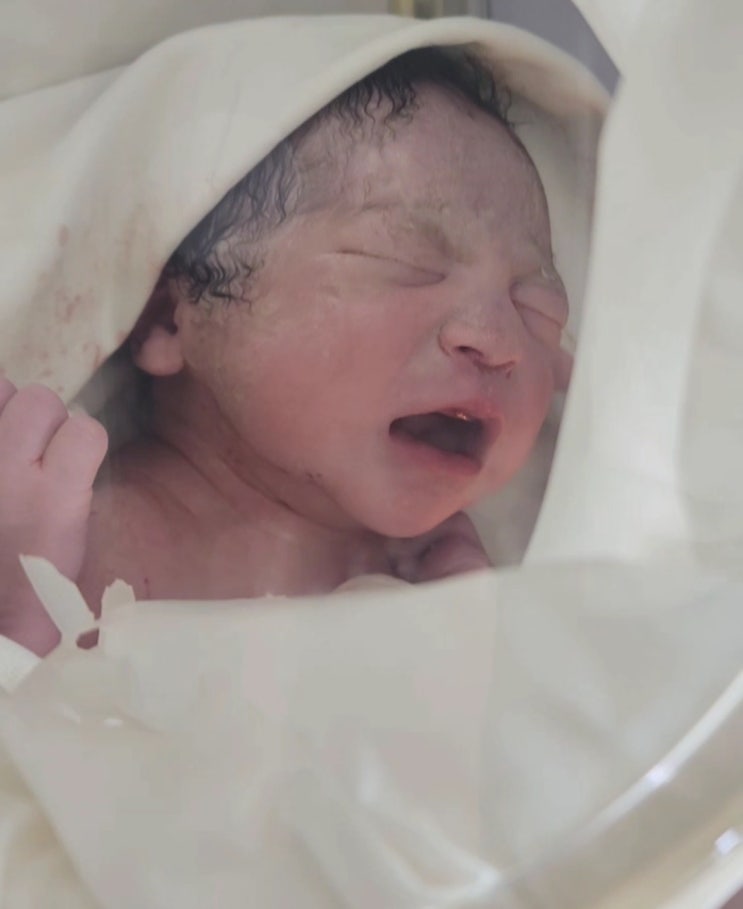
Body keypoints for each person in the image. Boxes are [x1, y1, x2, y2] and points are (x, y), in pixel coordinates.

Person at [0, 47, 570, 658]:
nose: (499, 340)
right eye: (406, 264)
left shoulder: (443, 583)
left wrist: (471, 661)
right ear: (166, 317)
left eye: (538, 309)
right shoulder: (71, 544)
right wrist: (21, 613)